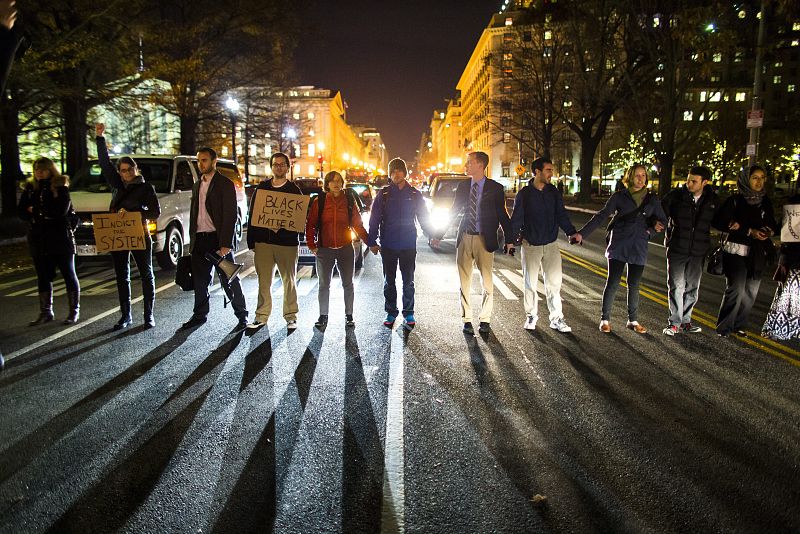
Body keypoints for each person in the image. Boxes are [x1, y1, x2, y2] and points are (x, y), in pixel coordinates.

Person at [576, 164, 667, 334]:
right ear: (630, 177)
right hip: (619, 244)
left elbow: (664, 221)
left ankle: (632, 320)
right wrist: (582, 234)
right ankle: (605, 319)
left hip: (639, 245)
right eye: (637, 175)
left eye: (643, 175)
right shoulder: (620, 196)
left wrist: (650, 231)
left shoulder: (652, 199)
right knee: (613, 282)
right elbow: (601, 216)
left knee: (634, 284)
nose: (641, 179)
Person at [95, 124, 161, 330]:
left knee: (146, 274)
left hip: (139, 234)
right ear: (119, 173)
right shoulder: (116, 185)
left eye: (129, 169)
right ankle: (126, 316)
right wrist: (100, 138)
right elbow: (104, 164)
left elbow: (155, 211)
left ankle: (148, 315)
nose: (126, 173)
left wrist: (134, 215)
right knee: (122, 276)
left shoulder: (145, 187)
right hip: (119, 236)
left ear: (135, 169)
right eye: (122, 171)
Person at [510, 156, 581, 333]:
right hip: (531, 245)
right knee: (530, 283)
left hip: (550, 244)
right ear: (537, 172)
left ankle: (556, 318)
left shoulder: (553, 192)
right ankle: (531, 315)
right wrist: (510, 241)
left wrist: (571, 232)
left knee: (554, 284)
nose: (552, 173)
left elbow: (561, 215)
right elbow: (517, 218)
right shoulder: (524, 194)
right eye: (548, 170)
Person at [367, 157, 439, 328]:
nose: (396, 174)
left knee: (408, 281)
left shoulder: (414, 194)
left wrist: (432, 234)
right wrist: (372, 241)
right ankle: (391, 312)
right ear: (389, 174)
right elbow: (374, 219)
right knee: (389, 281)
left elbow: (424, 217)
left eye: (399, 170)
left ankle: (409, 313)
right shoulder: (383, 194)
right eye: (392, 171)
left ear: (405, 173)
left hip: (408, 244)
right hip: (388, 245)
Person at [180, 147, 248, 330]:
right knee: (200, 282)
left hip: (217, 240)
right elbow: (195, 214)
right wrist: (192, 241)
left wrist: (225, 244)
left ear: (214, 162)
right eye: (199, 160)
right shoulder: (197, 184)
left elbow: (230, 215)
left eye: (204, 160)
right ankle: (199, 315)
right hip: (200, 240)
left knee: (229, 277)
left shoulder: (224, 183)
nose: (200, 164)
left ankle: (242, 315)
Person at [448, 151, 514, 335]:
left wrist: (509, 240)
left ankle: (485, 319)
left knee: (487, 282)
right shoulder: (463, 186)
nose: (465, 165)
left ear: (479, 165)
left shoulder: (495, 188)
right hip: (465, 237)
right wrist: (437, 233)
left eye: (469, 162)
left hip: (485, 239)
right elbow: (454, 210)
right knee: (464, 281)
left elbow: (503, 215)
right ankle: (466, 319)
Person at [713, 165, 778, 337]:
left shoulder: (765, 201)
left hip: (757, 253)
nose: (759, 181)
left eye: (762, 177)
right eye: (755, 177)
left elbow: (773, 224)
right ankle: (724, 327)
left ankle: (739, 325)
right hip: (736, 251)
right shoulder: (735, 200)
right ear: (746, 179)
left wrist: (769, 231)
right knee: (736, 289)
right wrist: (748, 231)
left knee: (751, 291)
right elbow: (719, 222)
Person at [18, 157, 81, 325]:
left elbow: (59, 211)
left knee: (68, 273)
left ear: (50, 170)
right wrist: (37, 211)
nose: (39, 172)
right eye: (36, 169)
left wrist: (36, 209)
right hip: (39, 238)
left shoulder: (60, 187)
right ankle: (46, 312)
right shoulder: (30, 188)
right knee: (43, 276)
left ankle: (73, 311)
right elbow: (22, 212)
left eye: (43, 169)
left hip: (60, 237)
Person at [660, 166, 720, 336]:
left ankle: (686, 321)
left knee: (692, 287)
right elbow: (661, 211)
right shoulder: (676, 196)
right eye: (688, 179)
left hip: (698, 251)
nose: (689, 184)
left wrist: (732, 224)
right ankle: (674, 323)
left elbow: (720, 220)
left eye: (694, 181)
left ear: (704, 182)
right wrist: (657, 223)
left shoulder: (712, 200)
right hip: (678, 248)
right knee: (676, 286)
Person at [246, 152, 303, 331]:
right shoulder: (262, 188)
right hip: (264, 242)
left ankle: (291, 316)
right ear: (271, 167)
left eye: (282, 164)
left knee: (289, 281)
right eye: (275, 164)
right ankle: (261, 317)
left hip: (287, 244)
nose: (279, 167)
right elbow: (253, 214)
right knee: (264, 281)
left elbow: (300, 218)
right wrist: (252, 241)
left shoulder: (294, 191)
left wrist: (283, 227)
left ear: (288, 167)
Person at [305, 171, 369, 328]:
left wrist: (370, 242)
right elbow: (311, 224)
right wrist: (311, 245)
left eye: (339, 181)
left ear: (342, 183)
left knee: (348, 283)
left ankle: (349, 315)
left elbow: (357, 224)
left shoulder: (348, 201)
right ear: (327, 184)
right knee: (323, 284)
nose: (336, 184)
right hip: (324, 250)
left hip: (345, 248)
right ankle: (323, 316)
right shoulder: (319, 201)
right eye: (332, 181)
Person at [762, 192, 800, 340]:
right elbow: (787, 229)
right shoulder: (795, 202)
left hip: (793, 256)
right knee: (788, 295)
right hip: (795, 257)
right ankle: (782, 327)